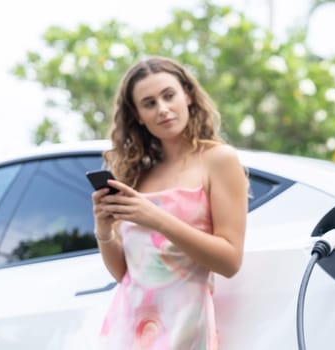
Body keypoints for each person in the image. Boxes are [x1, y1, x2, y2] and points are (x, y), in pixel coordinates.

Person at [91, 56, 249, 349]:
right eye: (149, 103)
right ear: (137, 115)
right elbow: (127, 275)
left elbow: (230, 261)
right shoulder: (138, 174)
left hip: (185, 327)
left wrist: (156, 218)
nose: (163, 109)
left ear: (187, 94)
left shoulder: (218, 160)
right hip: (126, 327)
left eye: (169, 95)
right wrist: (103, 230)